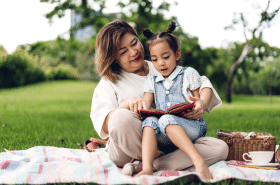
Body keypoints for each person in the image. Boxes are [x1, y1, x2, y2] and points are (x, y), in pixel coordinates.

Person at [90, 19, 228, 178]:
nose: (133, 52)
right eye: (123, 52)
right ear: (114, 58)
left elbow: (202, 82)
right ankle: (166, 160)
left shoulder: (159, 65)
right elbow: (105, 124)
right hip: (127, 148)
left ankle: (146, 165)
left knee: (220, 148)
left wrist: (201, 102)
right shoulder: (109, 82)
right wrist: (126, 105)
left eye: (134, 43)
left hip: (168, 140)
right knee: (120, 118)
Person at [134, 21, 210, 179]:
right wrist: (142, 107)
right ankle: (147, 167)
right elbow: (146, 106)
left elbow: (198, 101)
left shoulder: (187, 73)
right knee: (150, 122)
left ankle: (199, 161)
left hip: (192, 126)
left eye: (166, 57)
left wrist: (198, 103)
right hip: (165, 130)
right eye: (154, 59)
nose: (160, 63)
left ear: (177, 54)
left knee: (166, 119)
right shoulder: (152, 81)